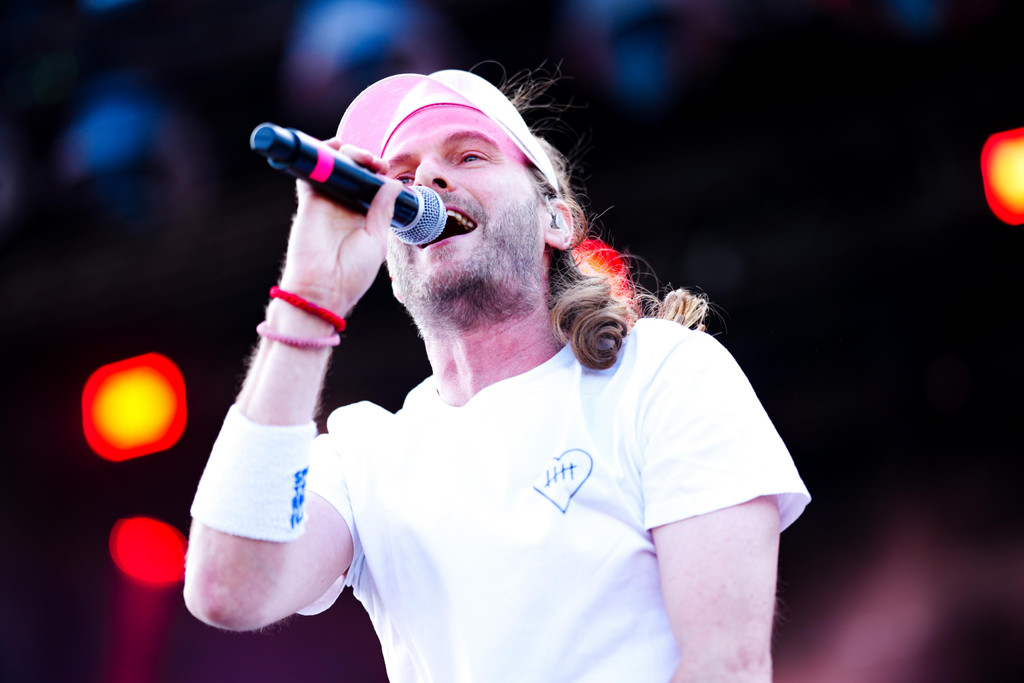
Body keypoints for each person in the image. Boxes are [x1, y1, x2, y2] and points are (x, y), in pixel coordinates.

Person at [184, 69, 811, 682]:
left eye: (469, 156)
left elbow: (725, 666)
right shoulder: (363, 456)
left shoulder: (660, 373)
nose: (426, 181)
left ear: (555, 220)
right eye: (401, 177)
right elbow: (227, 589)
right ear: (393, 265)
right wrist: (308, 296)